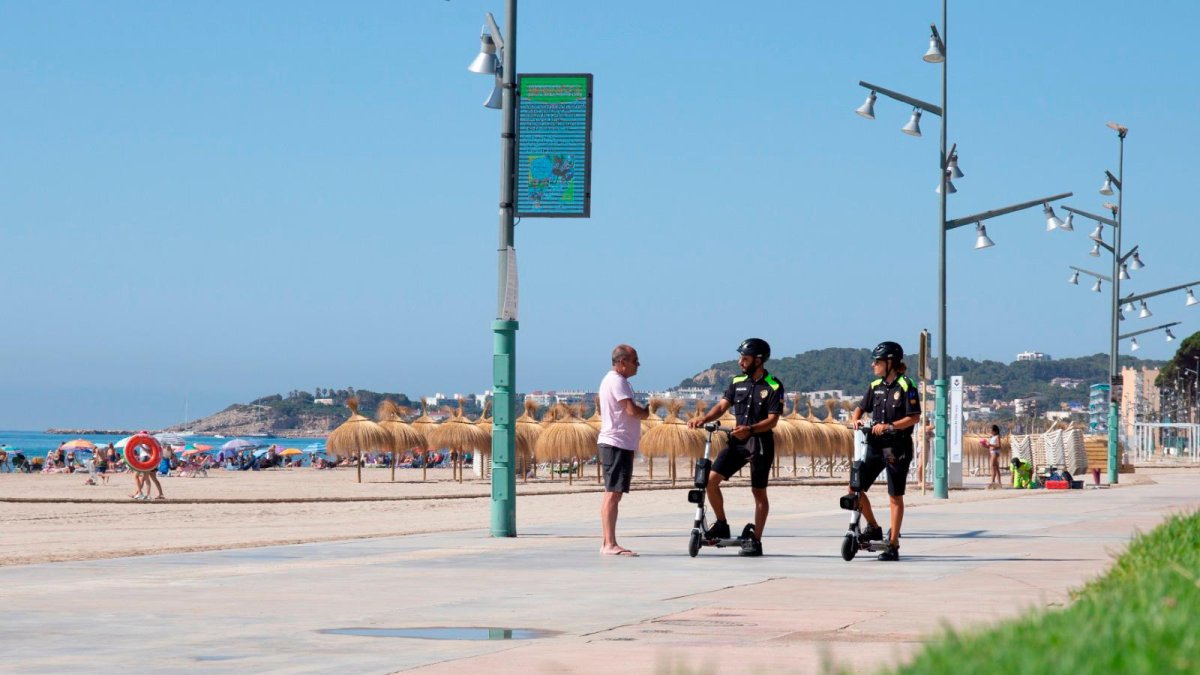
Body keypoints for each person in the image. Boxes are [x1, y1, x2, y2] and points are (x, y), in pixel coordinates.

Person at [688, 338, 784, 557]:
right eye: (740, 357)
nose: (741, 361)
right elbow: (722, 406)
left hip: (759, 442)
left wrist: (750, 429)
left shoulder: (773, 385)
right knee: (710, 481)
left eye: (745, 358)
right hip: (736, 442)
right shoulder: (737, 381)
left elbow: (772, 421)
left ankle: (756, 540)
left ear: (758, 360)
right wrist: (703, 418)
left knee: (758, 492)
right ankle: (721, 523)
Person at [848, 341, 922, 561]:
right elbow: (861, 407)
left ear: (890, 363)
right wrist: (855, 419)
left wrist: (890, 426)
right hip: (874, 445)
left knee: (894, 496)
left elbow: (914, 417)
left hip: (896, 447)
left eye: (877, 361)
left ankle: (893, 544)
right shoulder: (875, 386)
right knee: (855, 488)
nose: (873, 365)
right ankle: (873, 526)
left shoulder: (906, 386)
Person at [597, 344, 650, 557]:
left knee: (613, 493)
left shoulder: (614, 381)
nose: (638, 365)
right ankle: (609, 544)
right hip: (616, 442)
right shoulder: (617, 381)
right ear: (622, 363)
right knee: (612, 494)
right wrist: (644, 412)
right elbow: (630, 409)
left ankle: (607, 542)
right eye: (634, 360)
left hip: (619, 442)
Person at [986, 424, 1003, 489]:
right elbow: (990, 446)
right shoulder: (991, 437)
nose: (991, 432)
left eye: (991, 431)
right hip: (992, 452)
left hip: (995, 453)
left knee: (992, 466)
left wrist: (990, 444)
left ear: (995, 431)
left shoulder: (997, 436)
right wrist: (985, 445)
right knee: (996, 468)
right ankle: (999, 483)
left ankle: (992, 482)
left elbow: (999, 446)